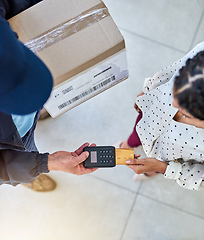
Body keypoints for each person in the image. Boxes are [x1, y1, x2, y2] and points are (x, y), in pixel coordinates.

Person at [0, 0, 97, 191]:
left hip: (19, 127)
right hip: (8, 142)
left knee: (29, 135)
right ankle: (30, 177)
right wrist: (44, 163)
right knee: (24, 154)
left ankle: (35, 115)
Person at [119, 41, 204, 190]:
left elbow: (200, 177)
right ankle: (128, 144)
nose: (173, 105)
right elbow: (170, 72)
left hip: (169, 155)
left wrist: (163, 168)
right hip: (150, 117)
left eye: (185, 111)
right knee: (136, 133)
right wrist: (149, 90)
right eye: (175, 89)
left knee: (156, 164)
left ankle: (151, 172)